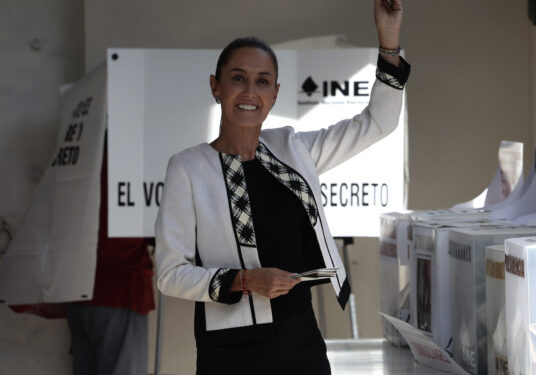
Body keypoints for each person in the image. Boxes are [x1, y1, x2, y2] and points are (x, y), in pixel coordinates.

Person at [154, 1, 409, 373]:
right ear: (216, 86)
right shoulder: (188, 168)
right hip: (228, 348)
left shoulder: (293, 149)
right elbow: (168, 274)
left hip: (300, 339)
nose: (250, 91)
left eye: (262, 81)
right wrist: (244, 280)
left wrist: (388, 42)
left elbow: (378, 123)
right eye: (238, 78)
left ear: (274, 93)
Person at [66, 140, 156, 375]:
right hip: (120, 290)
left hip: (79, 293)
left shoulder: (79, 164)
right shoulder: (133, 171)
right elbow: (158, 231)